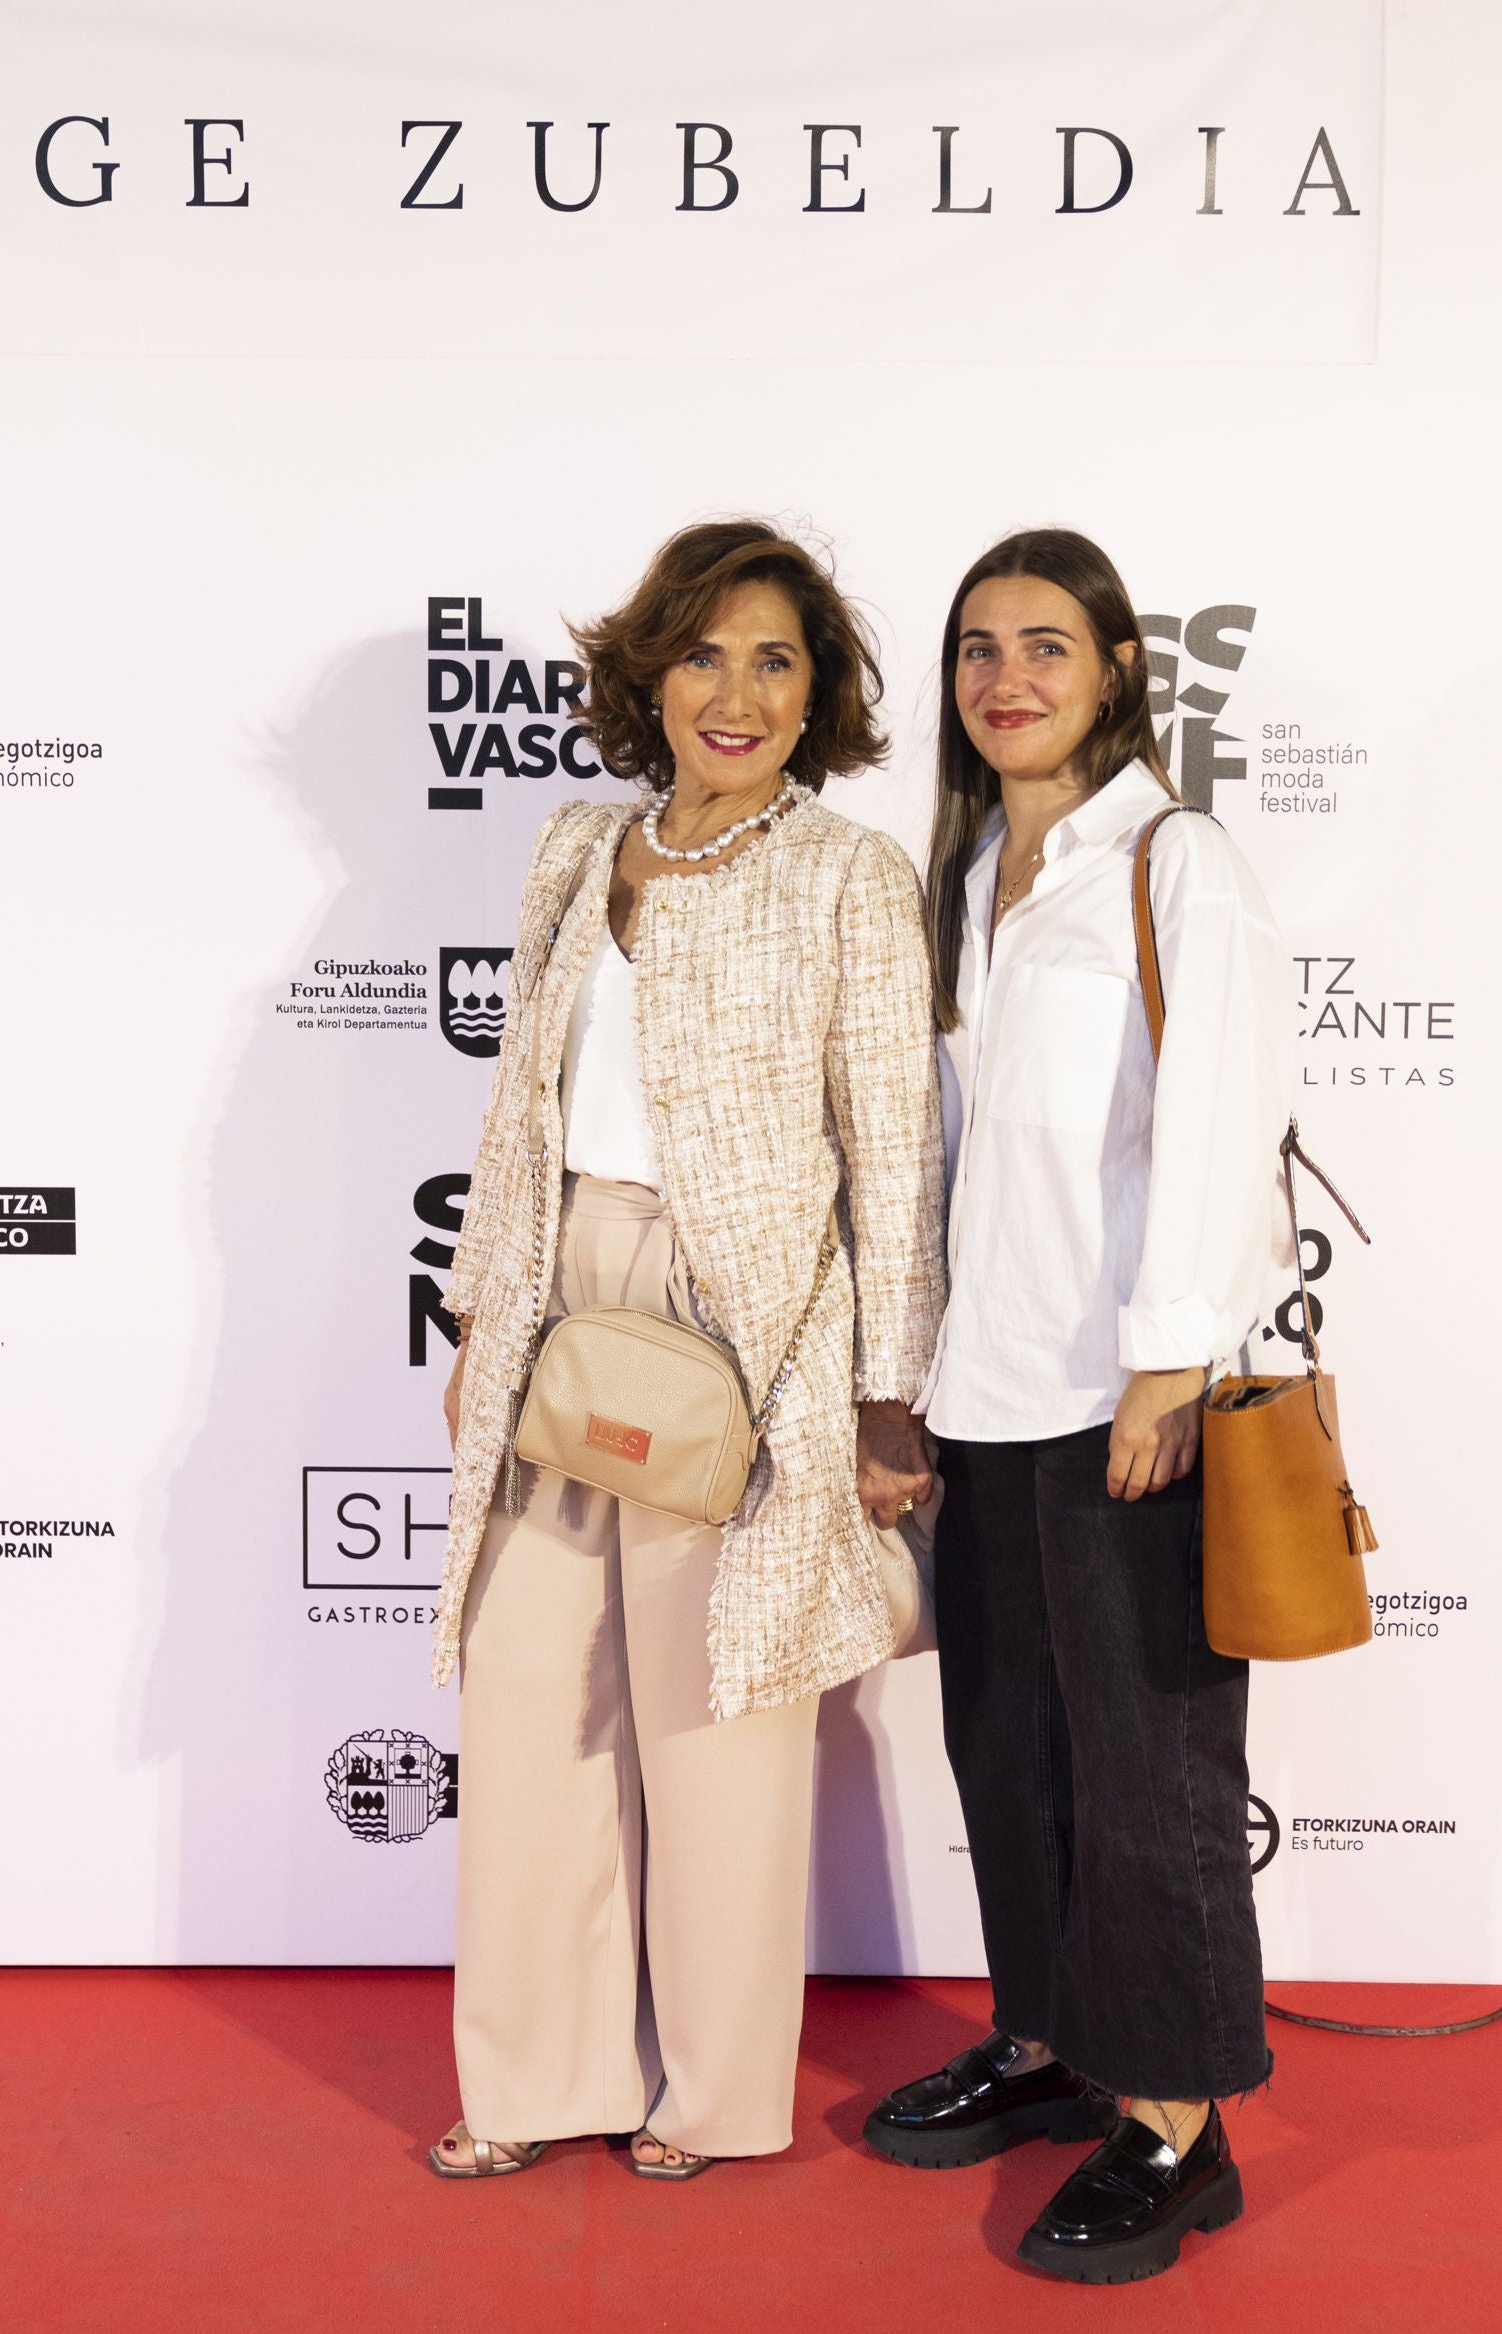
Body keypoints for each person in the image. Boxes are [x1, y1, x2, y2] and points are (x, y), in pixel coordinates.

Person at [425, 520, 943, 2182]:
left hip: (753, 1318)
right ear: (649, 670)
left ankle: (711, 2096)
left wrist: (883, 1396)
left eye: (775, 660)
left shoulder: (846, 874)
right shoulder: (579, 848)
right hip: (565, 1297)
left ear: (821, 695)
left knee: (719, 1715)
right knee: (522, 1691)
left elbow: (896, 1152)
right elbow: (515, 1119)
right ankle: (531, 2074)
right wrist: (479, 1319)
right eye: (704, 653)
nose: (735, 692)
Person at [859, 528, 1292, 2284]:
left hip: (1126, 1392)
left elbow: (1220, 1110)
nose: (1006, 676)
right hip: (988, 1387)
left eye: (1045, 643)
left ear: (1117, 664)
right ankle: (1047, 2041)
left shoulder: (1174, 860)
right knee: (1008, 1750)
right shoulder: (967, 874)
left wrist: (1172, 1356)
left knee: (1152, 1771)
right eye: (976, 647)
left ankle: (1179, 2124)